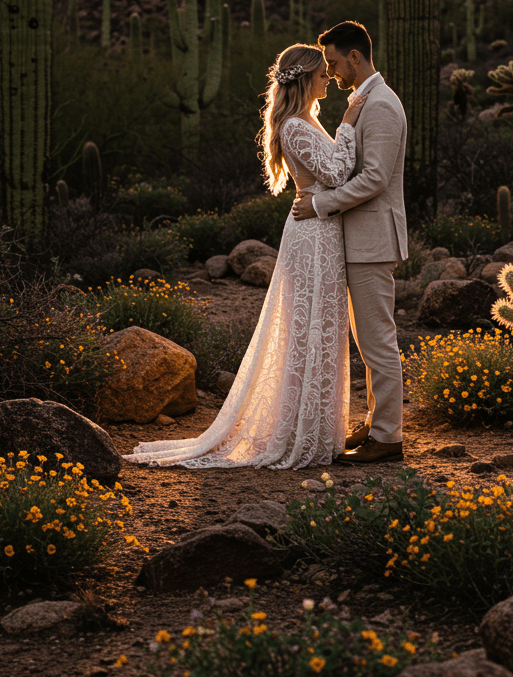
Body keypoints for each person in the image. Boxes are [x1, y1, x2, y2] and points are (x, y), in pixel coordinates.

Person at [122, 43, 366, 470]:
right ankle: (297, 432)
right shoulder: (294, 126)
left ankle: (314, 427)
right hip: (312, 237)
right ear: (305, 77)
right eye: (322, 72)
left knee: (321, 328)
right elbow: (336, 174)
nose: (329, 76)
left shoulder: (305, 121)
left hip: (321, 231)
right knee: (307, 328)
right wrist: (348, 124)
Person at [292, 20, 408, 464]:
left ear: (355, 58)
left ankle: (388, 437)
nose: (332, 71)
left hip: (372, 241)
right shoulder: (365, 101)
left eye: (335, 62)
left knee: (378, 341)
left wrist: (321, 205)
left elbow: (376, 178)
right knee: (368, 340)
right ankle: (379, 423)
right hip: (361, 240)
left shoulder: (380, 105)